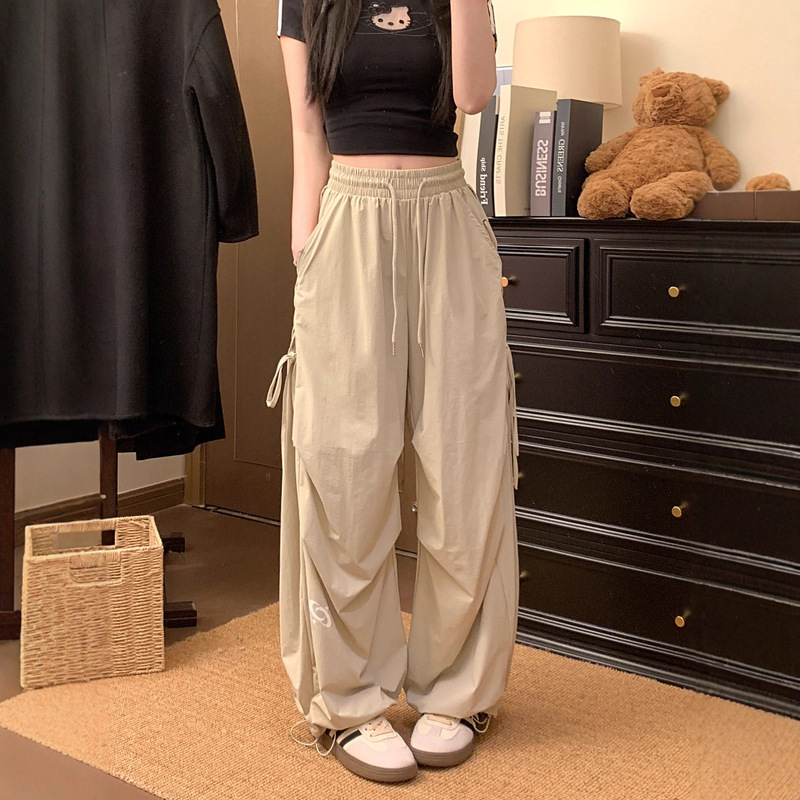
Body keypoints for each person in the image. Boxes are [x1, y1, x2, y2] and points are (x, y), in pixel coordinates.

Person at [266, 0, 520, 784]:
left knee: (467, 460)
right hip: (347, 218)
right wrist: (308, 250)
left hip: (448, 221)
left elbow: (473, 97)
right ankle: (349, 701)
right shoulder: (306, 2)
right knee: (343, 466)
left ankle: (457, 692)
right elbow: (307, 131)